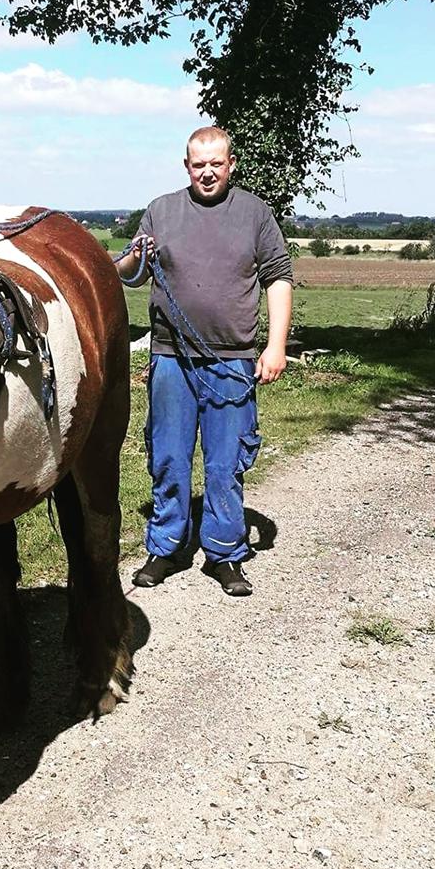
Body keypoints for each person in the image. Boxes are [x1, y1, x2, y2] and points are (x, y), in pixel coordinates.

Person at [115, 126, 293, 596]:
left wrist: (275, 346)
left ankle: (225, 554)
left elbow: (278, 278)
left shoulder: (255, 214)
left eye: (216, 163)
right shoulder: (161, 211)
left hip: (232, 360)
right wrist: (134, 257)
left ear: (231, 164)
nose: (208, 171)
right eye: (199, 164)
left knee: (224, 463)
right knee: (169, 456)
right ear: (187, 166)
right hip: (171, 358)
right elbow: (130, 275)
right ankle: (167, 548)